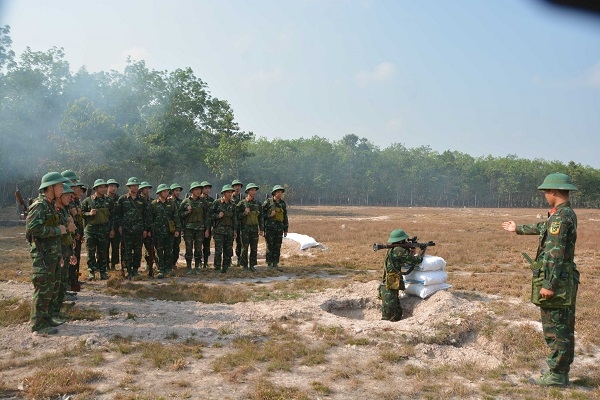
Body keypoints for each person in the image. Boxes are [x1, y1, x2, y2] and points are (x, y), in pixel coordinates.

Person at [502, 172, 579, 387]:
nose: (545, 195)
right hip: (563, 278)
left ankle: (557, 374)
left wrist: (549, 285)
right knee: (563, 326)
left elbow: (554, 252)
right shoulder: (563, 215)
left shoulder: (560, 218)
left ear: (553, 192)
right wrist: (517, 229)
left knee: (556, 328)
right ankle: (560, 371)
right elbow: (543, 228)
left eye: (546, 191)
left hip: (557, 282)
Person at [26, 172, 71, 334]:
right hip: (43, 255)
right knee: (43, 288)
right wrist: (57, 230)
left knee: (51, 288)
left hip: (52, 254)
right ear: (50, 187)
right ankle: (38, 324)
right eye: (59, 186)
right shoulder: (40, 205)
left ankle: (47, 317)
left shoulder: (50, 205)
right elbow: (33, 229)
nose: (62, 188)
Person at [379, 229, 424, 322]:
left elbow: (402, 261)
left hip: (389, 282)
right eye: (404, 240)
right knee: (390, 315)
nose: (406, 241)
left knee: (396, 312)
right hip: (390, 283)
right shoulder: (398, 250)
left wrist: (410, 251)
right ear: (400, 241)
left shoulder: (392, 249)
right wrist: (421, 252)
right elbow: (416, 261)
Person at [116, 177, 151, 279]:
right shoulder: (122, 199)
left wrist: (145, 229)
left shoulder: (143, 200)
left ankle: (135, 270)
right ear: (129, 187)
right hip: (126, 230)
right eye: (133, 186)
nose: (135, 187)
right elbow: (118, 214)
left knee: (137, 251)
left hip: (139, 230)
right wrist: (119, 226)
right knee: (126, 251)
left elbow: (146, 216)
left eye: (136, 186)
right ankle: (128, 270)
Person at [81, 179, 115, 281]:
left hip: (104, 230)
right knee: (90, 252)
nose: (103, 189)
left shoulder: (109, 201)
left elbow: (112, 216)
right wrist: (89, 213)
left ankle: (103, 272)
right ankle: (91, 272)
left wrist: (112, 229)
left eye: (104, 187)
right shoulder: (88, 201)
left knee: (103, 252)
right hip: (91, 230)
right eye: (101, 187)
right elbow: (81, 214)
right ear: (96, 188)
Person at [54, 183, 78, 322]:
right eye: (67, 195)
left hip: (63, 249)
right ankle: (45, 318)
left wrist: (70, 251)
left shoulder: (63, 210)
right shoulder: (53, 209)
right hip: (55, 251)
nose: (70, 197)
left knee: (62, 281)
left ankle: (56, 312)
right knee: (54, 284)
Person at [150, 184, 181, 278]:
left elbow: (176, 217)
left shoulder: (171, 203)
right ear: (159, 193)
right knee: (159, 251)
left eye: (167, 191)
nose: (166, 193)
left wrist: (177, 229)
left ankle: (168, 268)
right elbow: (151, 218)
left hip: (169, 232)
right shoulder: (154, 204)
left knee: (169, 251)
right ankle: (160, 269)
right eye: (164, 191)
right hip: (158, 232)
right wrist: (150, 230)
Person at [179, 182, 208, 275]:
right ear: (192, 191)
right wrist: (187, 212)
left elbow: (206, 216)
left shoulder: (203, 202)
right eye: (196, 189)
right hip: (189, 229)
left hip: (200, 229)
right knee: (188, 248)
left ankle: (197, 267)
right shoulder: (185, 202)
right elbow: (180, 215)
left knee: (198, 248)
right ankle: (188, 267)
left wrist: (207, 229)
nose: (198, 191)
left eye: (199, 189)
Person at [209, 184, 238, 273]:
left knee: (228, 249)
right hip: (219, 231)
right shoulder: (217, 203)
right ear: (223, 193)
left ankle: (226, 266)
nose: (230, 194)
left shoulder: (233, 204)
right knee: (218, 250)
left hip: (229, 230)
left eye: (231, 192)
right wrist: (218, 216)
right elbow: (210, 215)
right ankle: (217, 267)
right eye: (228, 192)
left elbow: (234, 218)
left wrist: (235, 230)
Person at [237, 183, 263, 272]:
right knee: (244, 247)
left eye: (255, 190)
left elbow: (261, 217)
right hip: (245, 229)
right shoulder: (242, 204)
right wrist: (244, 213)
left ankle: (252, 265)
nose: (254, 192)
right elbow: (236, 216)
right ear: (248, 191)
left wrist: (261, 229)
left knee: (254, 247)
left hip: (254, 229)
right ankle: (244, 265)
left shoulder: (258, 204)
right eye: (252, 190)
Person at [262, 185, 288, 271]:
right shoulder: (268, 202)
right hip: (270, 228)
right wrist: (270, 215)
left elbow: (285, 216)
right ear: (274, 193)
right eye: (278, 192)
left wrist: (285, 229)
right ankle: (269, 263)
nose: (279, 194)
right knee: (270, 246)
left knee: (277, 246)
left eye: (281, 192)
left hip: (279, 228)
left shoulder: (282, 203)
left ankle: (275, 263)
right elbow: (261, 215)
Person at [139, 181, 155, 276]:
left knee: (150, 250)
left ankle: (150, 266)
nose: (147, 190)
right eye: (145, 188)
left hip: (149, 229)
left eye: (148, 188)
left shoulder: (152, 201)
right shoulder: (137, 200)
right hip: (138, 229)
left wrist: (149, 230)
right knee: (136, 250)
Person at [106, 178, 121, 270]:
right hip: (105, 226)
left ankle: (113, 265)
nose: (113, 188)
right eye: (111, 186)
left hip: (116, 226)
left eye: (115, 186)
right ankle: (105, 265)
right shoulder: (103, 199)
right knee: (104, 247)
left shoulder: (119, 199)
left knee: (115, 247)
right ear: (107, 187)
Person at [169, 183, 184, 270]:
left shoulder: (180, 202)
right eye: (176, 190)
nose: (178, 192)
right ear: (172, 191)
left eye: (179, 191)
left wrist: (181, 228)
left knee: (176, 248)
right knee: (168, 247)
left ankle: (173, 263)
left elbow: (181, 216)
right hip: (168, 228)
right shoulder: (167, 201)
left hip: (178, 228)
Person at [200, 181, 214, 269]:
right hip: (198, 226)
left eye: (208, 188)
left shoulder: (212, 201)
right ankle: (198, 262)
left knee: (207, 245)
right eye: (205, 188)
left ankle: (205, 262)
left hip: (208, 226)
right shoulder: (197, 200)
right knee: (197, 246)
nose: (207, 190)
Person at [231, 179, 244, 265]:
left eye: (238, 186)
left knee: (240, 242)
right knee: (229, 243)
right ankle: (229, 260)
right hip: (230, 224)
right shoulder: (229, 197)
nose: (237, 187)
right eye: (235, 186)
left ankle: (239, 259)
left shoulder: (243, 198)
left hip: (240, 224)